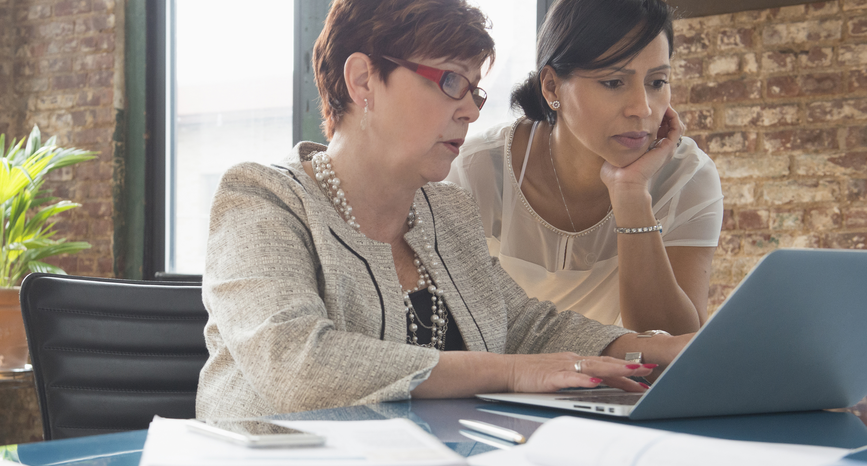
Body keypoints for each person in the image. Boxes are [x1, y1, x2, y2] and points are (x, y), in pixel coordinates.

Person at [196, 0, 692, 420]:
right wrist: (514, 372)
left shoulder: (446, 212)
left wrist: (665, 350)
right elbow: (296, 364)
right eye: (450, 81)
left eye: (475, 89)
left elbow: (524, 326)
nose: (472, 110)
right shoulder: (262, 200)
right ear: (363, 80)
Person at [447, 0, 724, 335]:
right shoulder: (477, 171)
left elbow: (676, 347)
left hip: (631, 386)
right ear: (551, 86)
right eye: (613, 82)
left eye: (657, 82)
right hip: (502, 382)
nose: (642, 108)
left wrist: (631, 195)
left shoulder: (687, 178)